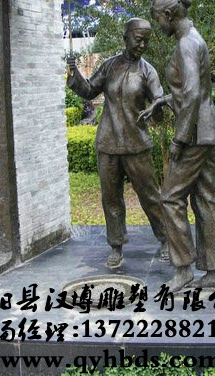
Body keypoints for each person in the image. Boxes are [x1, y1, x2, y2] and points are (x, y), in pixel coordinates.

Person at [139, 0, 215, 291]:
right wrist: (162, 101)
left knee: (170, 197)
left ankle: (183, 267)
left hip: (194, 134)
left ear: (168, 15)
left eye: (158, 19)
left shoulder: (187, 44)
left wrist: (179, 139)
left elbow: (191, 94)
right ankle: (213, 271)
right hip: (206, 129)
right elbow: (190, 91)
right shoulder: (193, 38)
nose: (158, 26)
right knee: (204, 199)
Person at [67, 18, 169, 268]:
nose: (142, 45)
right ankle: (116, 245)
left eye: (146, 41)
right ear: (126, 38)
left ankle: (167, 238)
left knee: (150, 196)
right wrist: (74, 73)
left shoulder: (148, 71)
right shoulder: (109, 66)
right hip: (108, 143)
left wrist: (158, 107)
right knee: (111, 199)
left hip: (137, 144)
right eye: (138, 39)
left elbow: (159, 103)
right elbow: (89, 90)